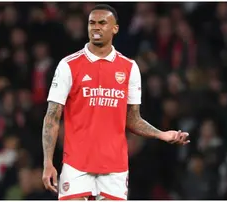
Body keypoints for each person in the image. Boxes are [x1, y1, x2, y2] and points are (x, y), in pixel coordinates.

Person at [42, 4, 190, 200]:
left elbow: (133, 119)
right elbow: (52, 116)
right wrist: (48, 162)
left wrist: (161, 134)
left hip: (115, 168)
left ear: (115, 28)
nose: (96, 27)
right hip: (76, 164)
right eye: (92, 23)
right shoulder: (68, 65)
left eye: (102, 23)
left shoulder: (129, 68)